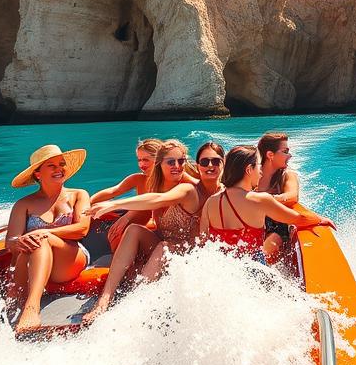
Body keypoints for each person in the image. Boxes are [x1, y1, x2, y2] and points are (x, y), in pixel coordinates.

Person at [81, 141, 224, 323]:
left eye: (181, 161)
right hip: (162, 246)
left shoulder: (188, 187)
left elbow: (159, 199)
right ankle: (104, 299)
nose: (177, 166)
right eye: (171, 162)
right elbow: (147, 198)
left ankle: (136, 302)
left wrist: (116, 204)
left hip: (186, 253)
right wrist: (86, 207)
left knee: (164, 247)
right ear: (160, 164)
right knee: (134, 230)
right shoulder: (153, 182)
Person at [6, 144, 91, 334]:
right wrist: (19, 241)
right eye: (51, 165)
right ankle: (18, 309)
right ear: (38, 174)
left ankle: (31, 309)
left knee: (40, 239)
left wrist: (45, 233)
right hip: (34, 262)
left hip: (70, 259)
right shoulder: (23, 204)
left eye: (62, 164)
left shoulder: (79, 194)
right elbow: (10, 242)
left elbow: (82, 229)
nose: (59, 169)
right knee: (35, 244)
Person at [199, 145, 334, 259]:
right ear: (248, 169)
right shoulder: (260, 200)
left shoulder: (210, 202)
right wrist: (320, 219)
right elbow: (300, 219)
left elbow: (203, 243)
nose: (261, 172)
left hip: (222, 271)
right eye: (258, 166)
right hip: (251, 273)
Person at [90, 138, 163, 251]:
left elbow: (150, 202)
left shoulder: (167, 181)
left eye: (146, 160)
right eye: (139, 160)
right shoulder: (138, 178)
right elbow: (113, 191)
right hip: (144, 220)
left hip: (159, 226)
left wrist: (128, 216)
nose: (141, 164)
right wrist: (88, 204)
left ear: (159, 160)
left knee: (121, 231)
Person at [256, 132, 300, 264]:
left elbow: (292, 197)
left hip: (276, 226)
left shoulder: (287, 176)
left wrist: (262, 200)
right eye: (285, 151)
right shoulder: (251, 174)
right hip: (251, 223)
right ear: (270, 155)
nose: (290, 155)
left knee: (265, 252)